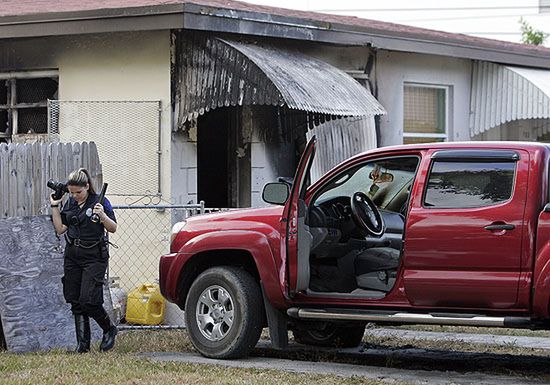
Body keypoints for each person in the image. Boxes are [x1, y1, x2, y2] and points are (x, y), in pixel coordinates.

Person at [50, 168, 118, 353]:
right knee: (75, 300)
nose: (75, 196)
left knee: (89, 299)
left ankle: (109, 328)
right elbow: (60, 229)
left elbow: (113, 228)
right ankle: (82, 346)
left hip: (94, 256)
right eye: (71, 192)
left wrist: (102, 215)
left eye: (78, 192)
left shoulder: (101, 201)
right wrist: (55, 206)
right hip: (73, 254)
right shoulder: (71, 203)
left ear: (87, 186)